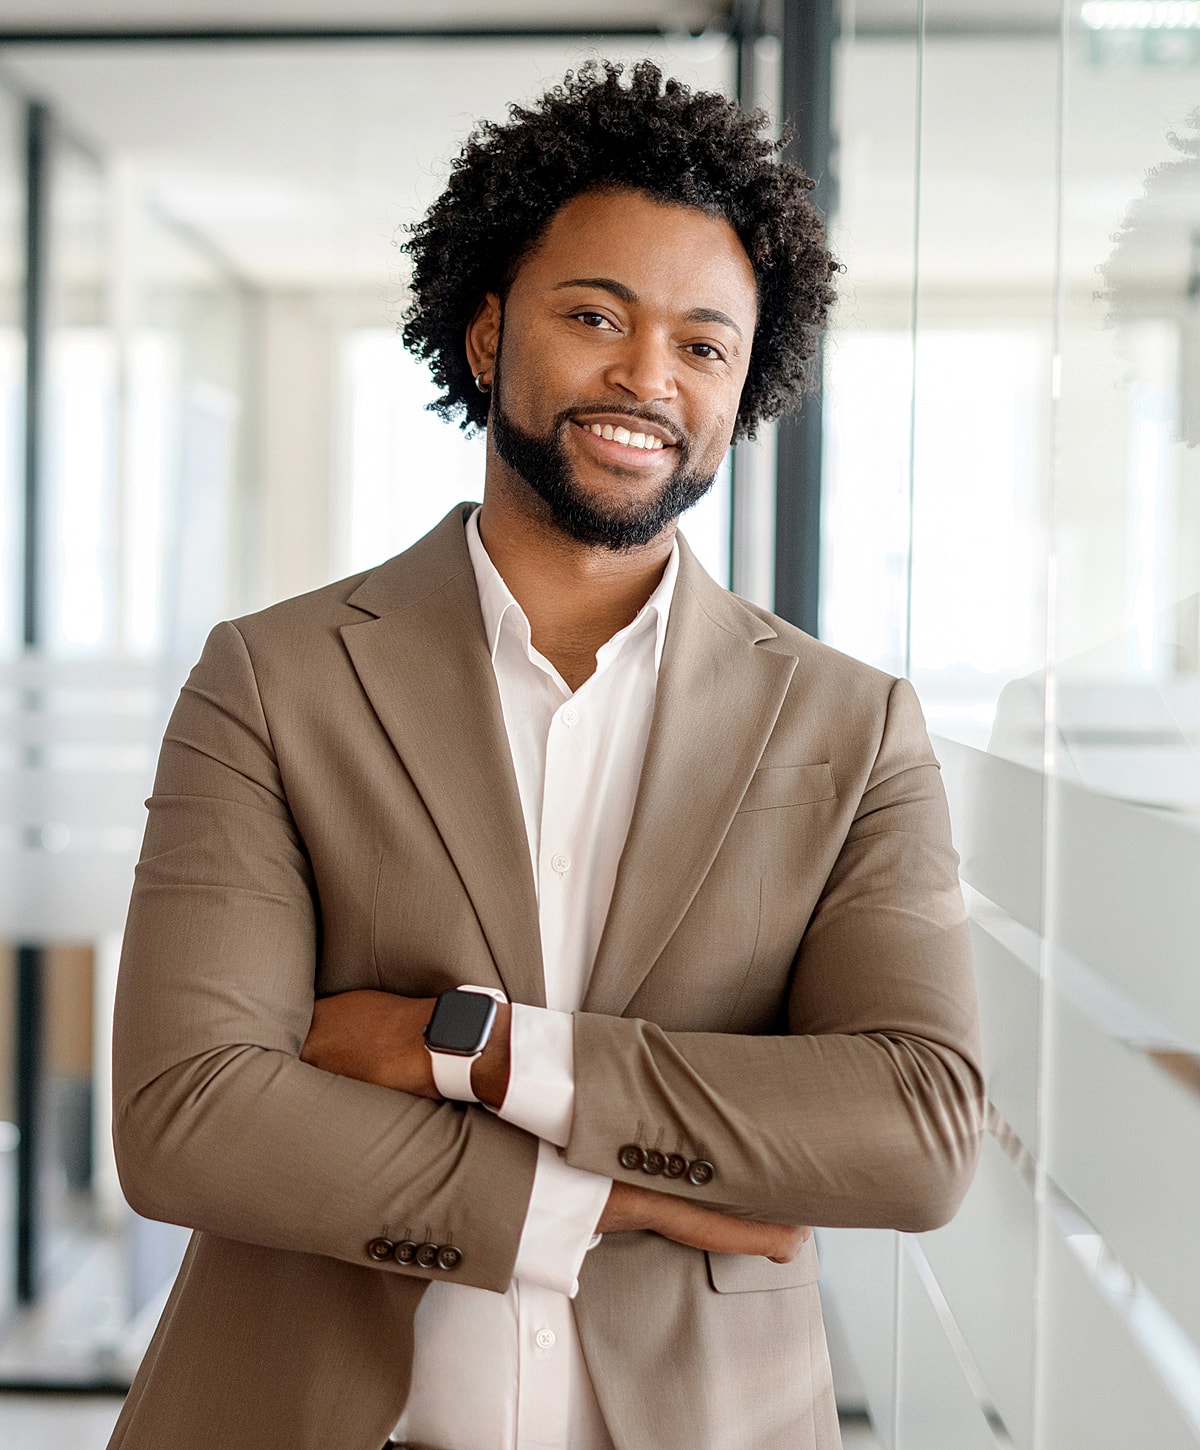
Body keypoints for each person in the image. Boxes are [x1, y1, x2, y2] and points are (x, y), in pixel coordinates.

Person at [108, 60, 982, 1450]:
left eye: (705, 343)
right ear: (486, 330)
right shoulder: (275, 678)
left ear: (746, 386)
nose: (648, 375)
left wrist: (482, 1053)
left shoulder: (851, 727)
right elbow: (187, 1114)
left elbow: (919, 1130)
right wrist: (611, 1195)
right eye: (596, 317)